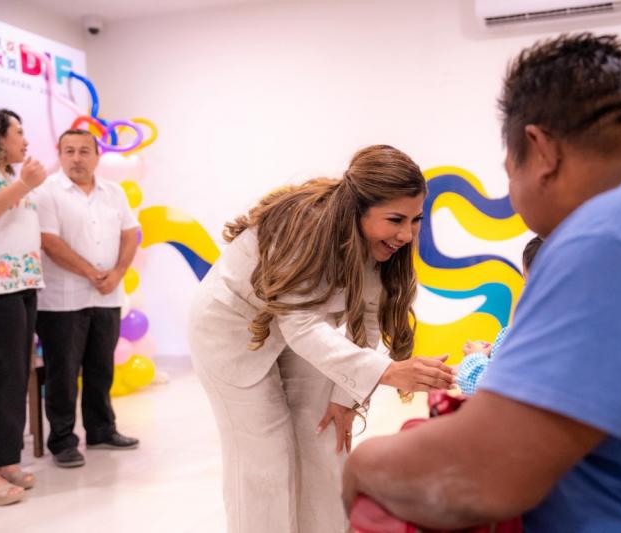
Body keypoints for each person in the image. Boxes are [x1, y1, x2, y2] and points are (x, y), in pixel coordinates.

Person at [343, 33, 621, 531]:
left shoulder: (618, 235)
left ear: (540, 149)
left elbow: (482, 472)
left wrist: (363, 463)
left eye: (510, 174)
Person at [188, 144, 456, 533]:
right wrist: (388, 372)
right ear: (357, 209)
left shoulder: (380, 245)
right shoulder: (304, 227)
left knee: (324, 439)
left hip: (296, 327)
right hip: (231, 331)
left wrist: (345, 398)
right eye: (395, 219)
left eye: (415, 219)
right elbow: (302, 326)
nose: (406, 233)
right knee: (266, 460)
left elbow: (365, 321)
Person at [35, 129, 140, 469]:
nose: (76, 158)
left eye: (83, 151)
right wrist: (91, 272)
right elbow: (49, 241)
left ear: (97, 156)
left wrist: (118, 272)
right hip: (62, 299)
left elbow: (130, 234)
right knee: (62, 373)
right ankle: (63, 440)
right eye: (69, 151)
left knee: (100, 368)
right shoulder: (46, 192)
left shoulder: (114, 192)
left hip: (108, 295)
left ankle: (101, 429)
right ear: (60, 155)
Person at [0, 109, 47, 505]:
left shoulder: (11, 176)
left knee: (14, 376)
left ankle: (1, 458)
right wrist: (22, 185)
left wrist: (22, 184)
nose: (25, 139)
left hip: (21, 284)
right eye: (18, 131)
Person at [456, 235, 544, 395]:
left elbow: (488, 388)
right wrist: (493, 352)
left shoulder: (538, 335)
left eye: (530, 284)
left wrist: (475, 357)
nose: (525, 292)